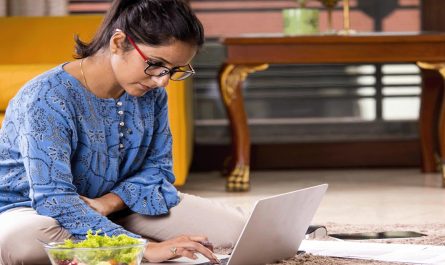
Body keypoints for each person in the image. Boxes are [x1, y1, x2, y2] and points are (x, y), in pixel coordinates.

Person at [0, 0, 247, 264]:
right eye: (156, 64)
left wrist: (109, 202)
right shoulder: (46, 97)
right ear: (118, 43)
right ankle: (130, 245)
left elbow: (158, 170)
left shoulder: (153, 94)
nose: (162, 80)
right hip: (37, 211)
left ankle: (108, 242)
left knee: (236, 230)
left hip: (120, 206)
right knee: (25, 245)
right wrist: (143, 248)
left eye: (173, 71)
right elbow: (54, 199)